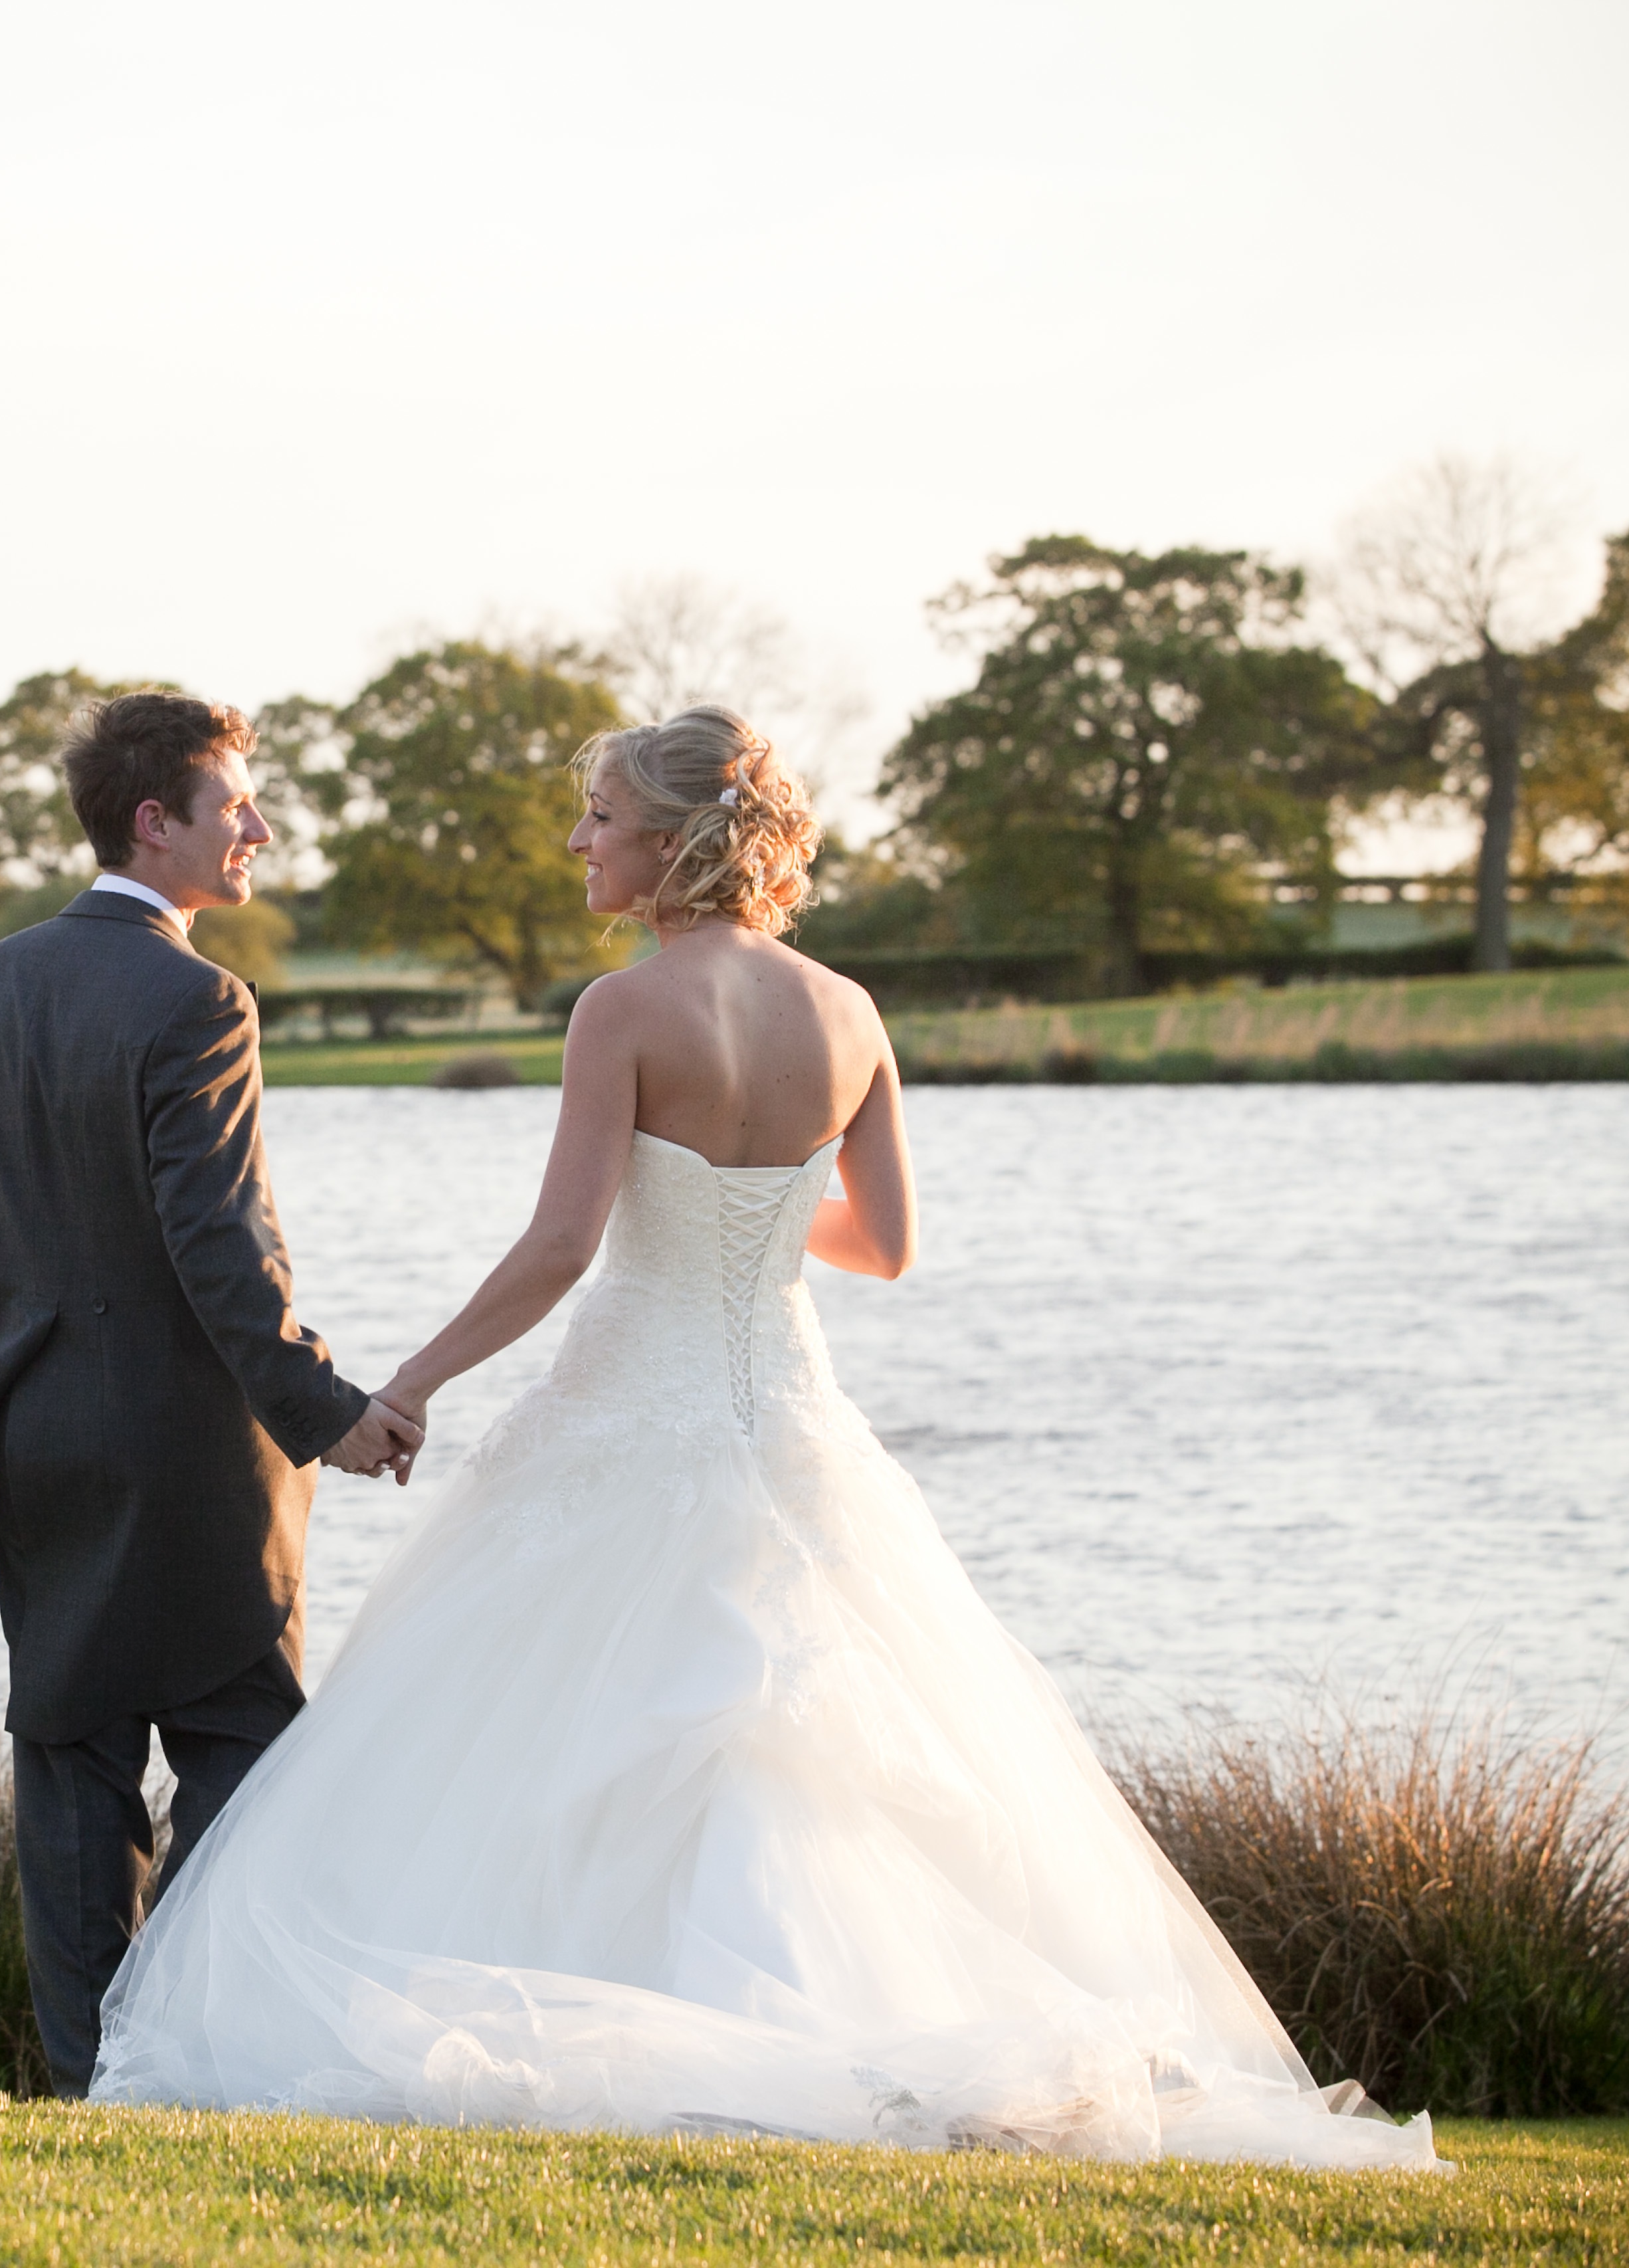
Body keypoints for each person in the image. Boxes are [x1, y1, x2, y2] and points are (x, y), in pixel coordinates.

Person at [85, 706, 1446, 2171]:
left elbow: (560, 1248)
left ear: (672, 841)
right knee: (801, 1726)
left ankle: (658, 2023)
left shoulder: (621, 1012)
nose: (577, 841)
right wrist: (766, 1217)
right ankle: (824, 2027)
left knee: (595, 1718)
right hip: (788, 1408)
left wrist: (404, 1385)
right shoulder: (849, 1013)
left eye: (599, 817)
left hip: (637, 1399)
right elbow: (892, 1247)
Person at [0, 690, 424, 2098]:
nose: (259, 830)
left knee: (72, 1757)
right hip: (199, 1454)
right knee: (247, 1752)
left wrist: (30, 1352)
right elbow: (224, 1248)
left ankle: (98, 2076)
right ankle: (199, 2048)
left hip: (38, 1437)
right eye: (235, 809)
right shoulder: (199, 998)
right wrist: (327, 1411)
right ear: (156, 824)